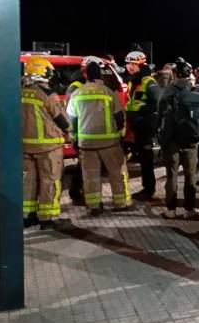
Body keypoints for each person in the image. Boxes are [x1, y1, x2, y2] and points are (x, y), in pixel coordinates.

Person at [157, 58, 199, 220]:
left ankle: (171, 210)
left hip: (172, 140)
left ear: (175, 74)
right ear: (189, 75)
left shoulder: (168, 91)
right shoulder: (196, 92)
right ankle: (189, 209)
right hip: (192, 140)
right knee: (190, 176)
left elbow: (159, 113)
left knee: (171, 174)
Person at [68, 62, 131, 215]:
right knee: (117, 173)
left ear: (86, 75)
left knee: (90, 177)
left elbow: (72, 120)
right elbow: (119, 116)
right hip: (109, 142)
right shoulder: (109, 92)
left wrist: (75, 139)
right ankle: (120, 203)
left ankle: (94, 206)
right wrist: (121, 135)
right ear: (100, 75)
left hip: (87, 143)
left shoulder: (77, 94)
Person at [21, 56, 72, 230]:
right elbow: (63, 121)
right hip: (48, 147)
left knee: (29, 181)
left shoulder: (19, 92)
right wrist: (69, 131)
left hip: (25, 146)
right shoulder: (47, 94)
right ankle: (47, 218)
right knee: (49, 181)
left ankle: (28, 216)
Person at [124, 50, 160, 201]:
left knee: (146, 160)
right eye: (128, 64)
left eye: (132, 64)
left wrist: (141, 113)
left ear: (140, 64)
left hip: (145, 125)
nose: (129, 67)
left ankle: (149, 189)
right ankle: (147, 188)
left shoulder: (148, 82)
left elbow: (157, 103)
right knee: (143, 159)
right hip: (137, 125)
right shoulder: (134, 81)